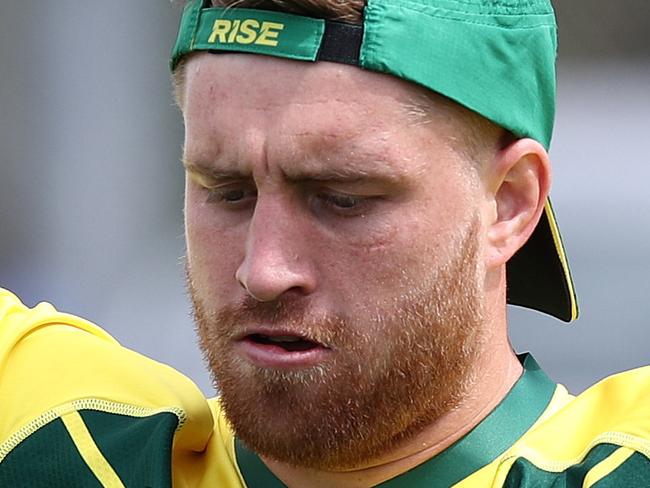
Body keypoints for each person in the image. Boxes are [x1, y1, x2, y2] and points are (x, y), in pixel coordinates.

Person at [0, 0, 648, 486]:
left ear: (509, 204)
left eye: (343, 197)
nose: (264, 269)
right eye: (227, 189)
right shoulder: (57, 441)